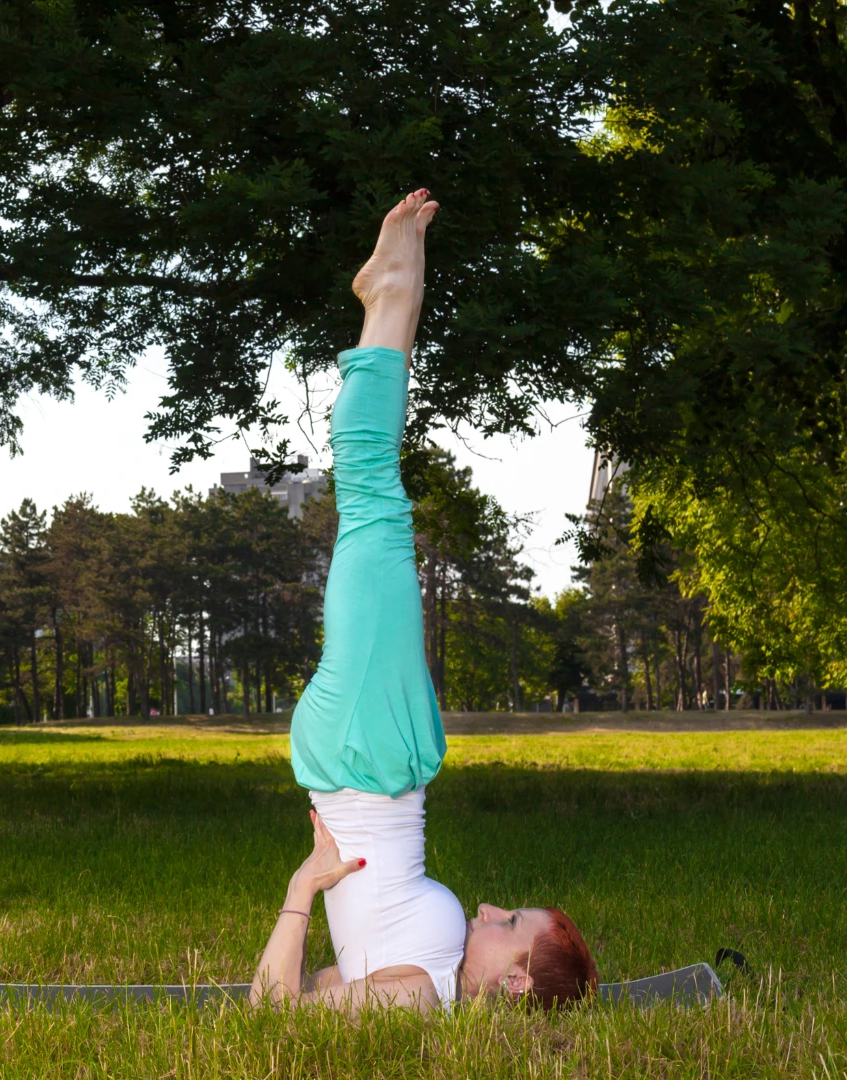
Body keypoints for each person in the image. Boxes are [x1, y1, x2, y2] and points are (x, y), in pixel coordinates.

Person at [248, 188, 598, 1014]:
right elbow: (323, 984)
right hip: (383, 757)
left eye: (508, 920)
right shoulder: (427, 975)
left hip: (368, 755)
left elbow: (275, 1012)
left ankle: (395, 298)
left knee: (373, 493)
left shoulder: (420, 996)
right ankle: (389, 300)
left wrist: (302, 890)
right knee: (374, 498)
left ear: (513, 978)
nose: (487, 906)